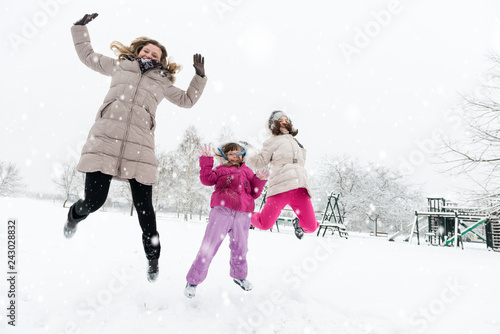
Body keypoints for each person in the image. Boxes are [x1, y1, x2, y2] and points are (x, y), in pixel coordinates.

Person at [64, 13, 208, 283]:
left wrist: (198, 77)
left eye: (156, 54)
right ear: (137, 51)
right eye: (146, 50)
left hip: (140, 148)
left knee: (146, 213)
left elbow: (188, 100)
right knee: (94, 201)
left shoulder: (163, 83)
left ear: (161, 61)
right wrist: (80, 28)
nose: (150, 55)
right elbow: (87, 56)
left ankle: (153, 260)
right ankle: (74, 215)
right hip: (106, 139)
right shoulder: (120, 66)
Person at [184, 142, 268, 298]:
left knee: (241, 248)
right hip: (222, 212)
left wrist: (260, 180)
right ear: (224, 156)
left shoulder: (248, 172)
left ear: (243, 155)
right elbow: (207, 180)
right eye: (231, 153)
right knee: (209, 246)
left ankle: (239, 276)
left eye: (238, 153)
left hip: (243, 215)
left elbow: (254, 193)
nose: (235, 156)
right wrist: (206, 161)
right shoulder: (221, 170)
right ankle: (193, 281)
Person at [246, 110, 319, 239]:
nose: (284, 123)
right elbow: (259, 162)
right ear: (274, 125)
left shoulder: (295, 142)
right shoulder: (271, 142)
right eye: (280, 121)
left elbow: (300, 164)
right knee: (264, 224)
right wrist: (249, 151)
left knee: (312, 227)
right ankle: (244, 215)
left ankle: (298, 223)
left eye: (286, 120)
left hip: (300, 187)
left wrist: (302, 150)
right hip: (281, 187)